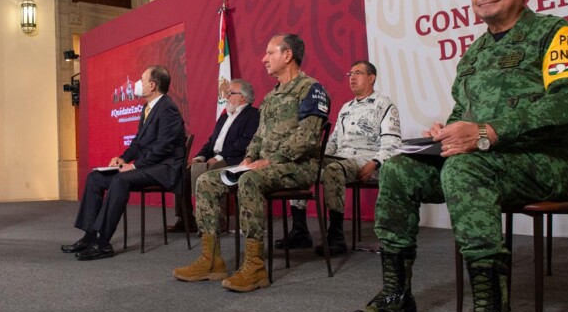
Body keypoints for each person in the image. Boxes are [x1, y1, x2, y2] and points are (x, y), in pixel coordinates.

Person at [341, 0, 568, 312]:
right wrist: (446, 131)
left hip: (555, 160)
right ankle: (397, 299)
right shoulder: (474, 53)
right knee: (399, 169)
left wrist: (489, 131)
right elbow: (464, 111)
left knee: (464, 171)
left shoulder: (555, 33)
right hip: (494, 160)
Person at [173, 33, 330, 292]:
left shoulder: (310, 90)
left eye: (270, 53)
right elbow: (258, 137)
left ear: (287, 55)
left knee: (249, 180)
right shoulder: (271, 97)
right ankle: (211, 260)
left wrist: (270, 160)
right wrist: (249, 158)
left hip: (299, 166)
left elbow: (308, 139)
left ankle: (255, 267)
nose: (264, 59)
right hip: (266, 164)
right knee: (206, 180)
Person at [276, 60, 402, 255]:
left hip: (366, 160)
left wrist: (375, 164)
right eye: (350, 74)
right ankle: (300, 230)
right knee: (301, 162)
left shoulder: (384, 105)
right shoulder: (347, 107)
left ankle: (336, 236)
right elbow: (335, 141)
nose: (352, 78)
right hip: (341, 158)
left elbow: (392, 144)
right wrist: (315, 152)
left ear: (371, 77)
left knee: (334, 170)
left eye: (358, 73)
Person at [61, 65, 186, 261]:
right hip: (149, 166)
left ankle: (103, 244)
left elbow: (164, 147)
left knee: (121, 180)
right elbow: (137, 142)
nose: (138, 84)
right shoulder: (148, 107)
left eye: (142, 80)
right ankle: (89, 236)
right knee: (95, 177)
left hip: (164, 169)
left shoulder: (167, 109)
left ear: (152, 85)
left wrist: (135, 166)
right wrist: (124, 158)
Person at [167, 78, 260, 233]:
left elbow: (245, 143)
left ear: (242, 97)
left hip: (236, 160)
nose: (226, 96)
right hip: (215, 157)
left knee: (214, 170)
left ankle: (218, 222)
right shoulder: (224, 117)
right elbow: (211, 142)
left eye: (231, 93)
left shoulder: (253, 115)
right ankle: (186, 219)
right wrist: (200, 157)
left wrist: (219, 157)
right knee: (183, 172)